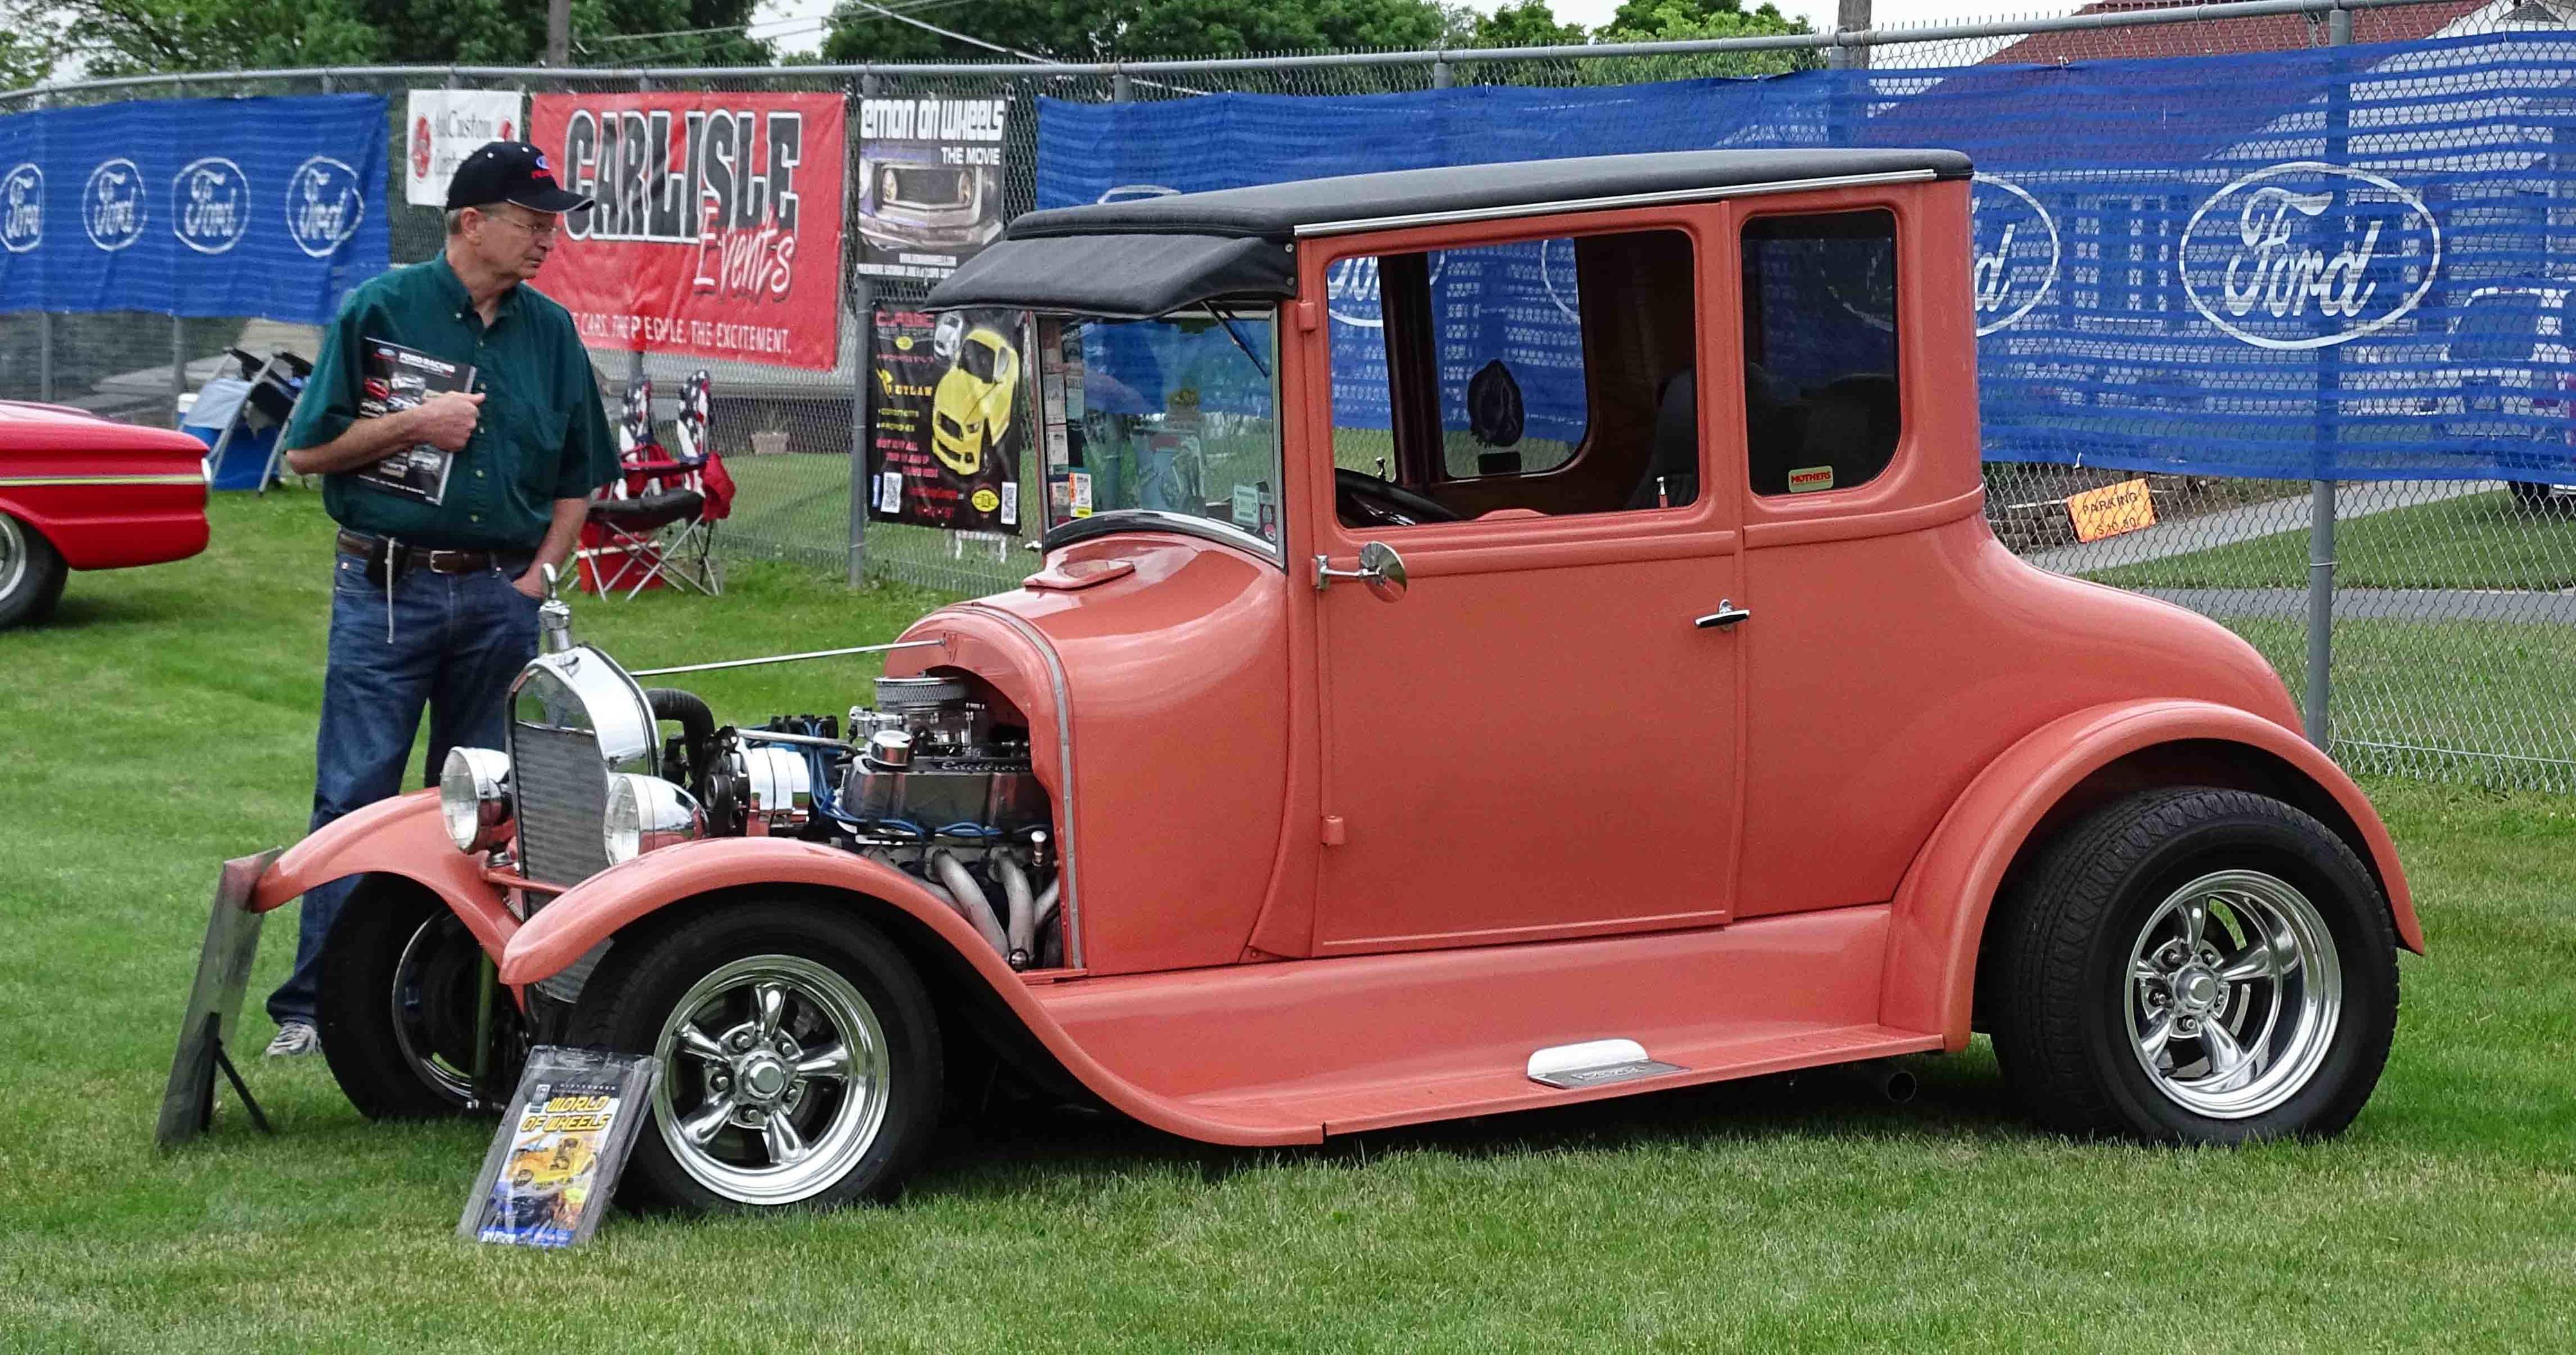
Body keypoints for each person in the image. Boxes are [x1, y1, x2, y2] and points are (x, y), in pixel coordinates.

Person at [263, 142, 619, 1056]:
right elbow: (305, 452)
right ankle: (316, 1008)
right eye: (532, 222)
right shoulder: (382, 309)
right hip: (387, 589)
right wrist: (417, 422)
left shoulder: (551, 332)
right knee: (356, 795)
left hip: (500, 595)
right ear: (471, 222)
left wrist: (542, 574)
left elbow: (580, 472)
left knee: (483, 806)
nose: (548, 239)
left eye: (552, 223)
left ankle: (444, 1001)